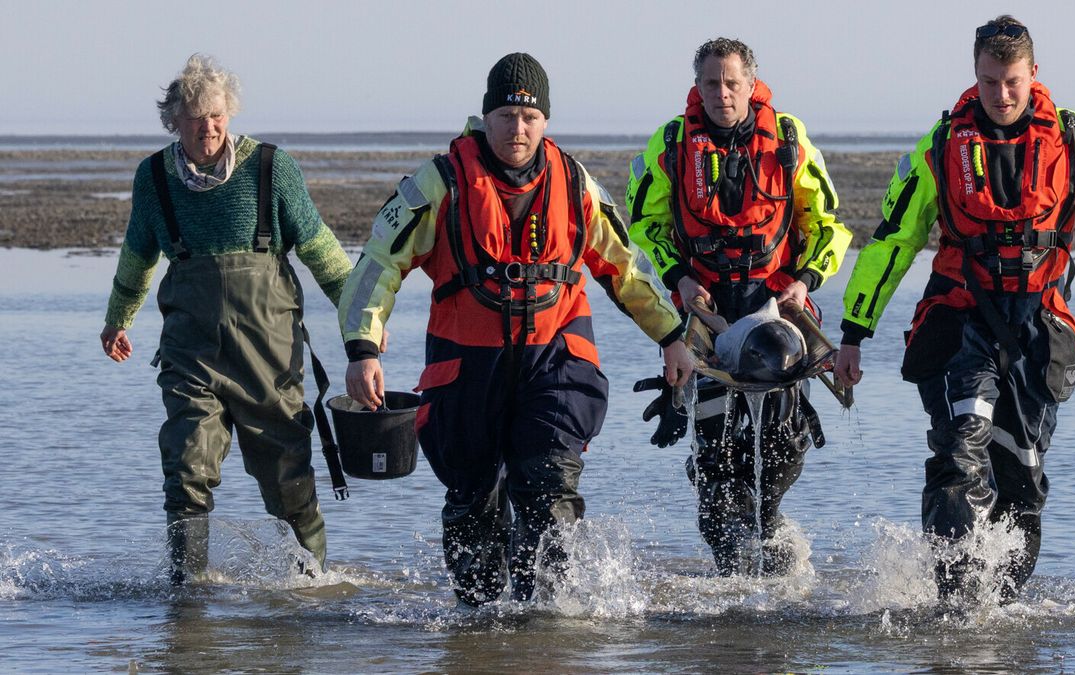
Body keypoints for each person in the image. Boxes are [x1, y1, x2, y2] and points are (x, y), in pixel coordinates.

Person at [833, 16, 1075, 601]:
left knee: (1020, 480)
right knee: (961, 450)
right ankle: (954, 609)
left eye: (1011, 82)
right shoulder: (940, 146)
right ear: (973, 76)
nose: (1000, 96)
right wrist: (855, 330)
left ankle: (999, 610)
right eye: (988, 82)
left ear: (1033, 74)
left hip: (1039, 328)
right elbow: (892, 240)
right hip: (960, 321)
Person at [339, 53, 692, 606]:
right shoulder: (441, 182)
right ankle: (479, 632)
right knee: (472, 501)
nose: (518, 128)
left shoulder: (576, 183)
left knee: (548, 489)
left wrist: (673, 338)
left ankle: (549, 623)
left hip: (557, 362)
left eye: (529, 118)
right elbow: (378, 264)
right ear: (487, 117)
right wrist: (363, 348)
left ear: (545, 121)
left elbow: (627, 268)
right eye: (507, 115)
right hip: (466, 367)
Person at [100, 54, 353, 582]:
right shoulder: (153, 178)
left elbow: (321, 250)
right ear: (174, 121)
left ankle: (311, 587)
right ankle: (187, 596)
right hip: (191, 354)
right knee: (187, 467)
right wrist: (117, 319)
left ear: (230, 114)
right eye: (194, 117)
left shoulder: (271, 168)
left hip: (270, 358)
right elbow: (137, 254)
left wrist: (361, 327)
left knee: (289, 477)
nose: (207, 127)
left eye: (216, 115)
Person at [626, 37, 852, 575]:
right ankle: (732, 597)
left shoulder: (791, 141)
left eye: (732, 83)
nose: (722, 94)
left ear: (752, 83)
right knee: (718, 474)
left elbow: (829, 227)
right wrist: (678, 278)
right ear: (696, 86)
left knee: (777, 454)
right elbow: (644, 224)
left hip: (776, 313)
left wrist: (805, 279)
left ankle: (773, 534)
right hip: (704, 320)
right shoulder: (671, 143)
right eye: (711, 83)